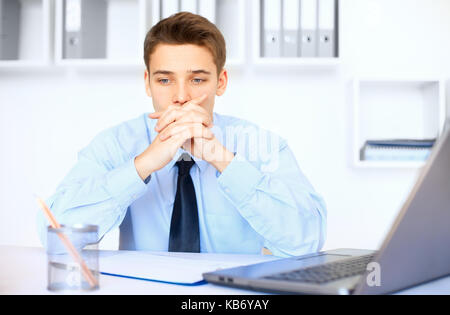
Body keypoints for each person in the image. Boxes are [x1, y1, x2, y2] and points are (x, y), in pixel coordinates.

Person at [37, 12, 326, 257]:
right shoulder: (115, 144)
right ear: (148, 83)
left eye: (197, 79)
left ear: (221, 82)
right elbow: (55, 237)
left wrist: (223, 160)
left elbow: (307, 241)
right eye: (165, 80)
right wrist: (142, 165)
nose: (181, 96)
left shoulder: (262, 145)